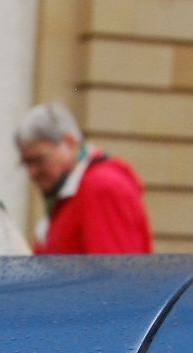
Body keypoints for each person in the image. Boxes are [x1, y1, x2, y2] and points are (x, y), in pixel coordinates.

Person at [15, 102, 152, 255]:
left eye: (38, 160)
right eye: (26, 163)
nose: (31, 173)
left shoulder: (101, 187)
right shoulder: (71, 191)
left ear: (69, 143)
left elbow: (116, 267)